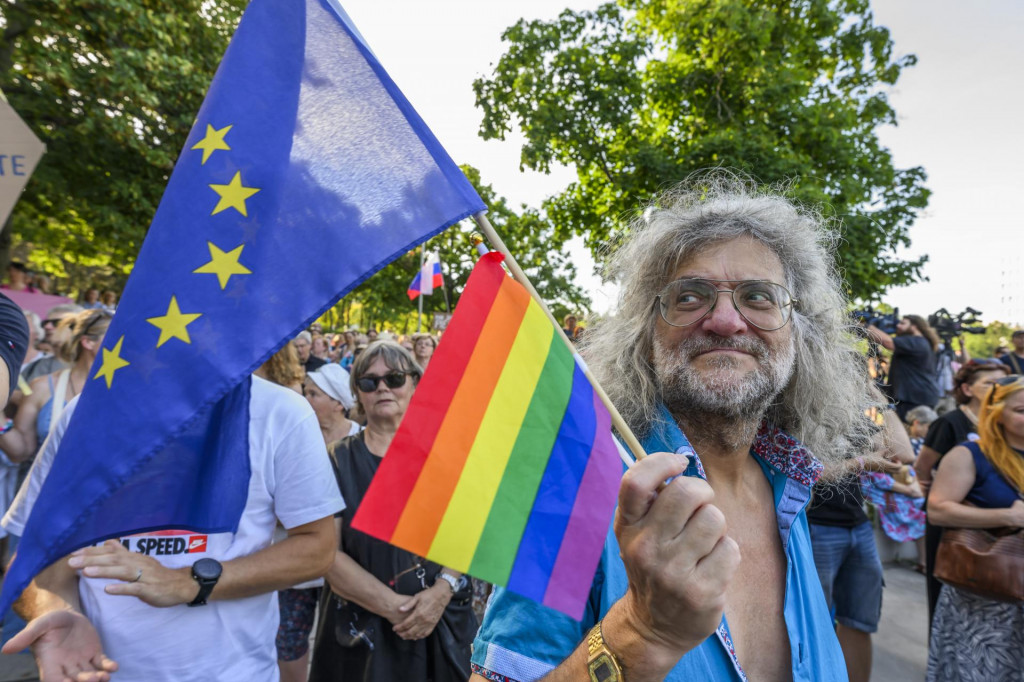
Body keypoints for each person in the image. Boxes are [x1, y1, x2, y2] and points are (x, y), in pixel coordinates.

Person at [471, 176, 878, 681]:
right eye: (689, 298)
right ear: (645, 336)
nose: (726, 321)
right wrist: (640, 632)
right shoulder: (573, 488)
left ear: (800, 335)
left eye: (758, 297)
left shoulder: (788, 486)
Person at [1, 373, 344, 681]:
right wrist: (54, 612)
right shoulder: (86, 412)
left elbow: (318, 549)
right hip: (100, 671)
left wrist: (188, 582)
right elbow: (34, 561)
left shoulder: (280, 411)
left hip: (235, 671)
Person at [309, 340, 476, 682]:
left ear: (415, 383)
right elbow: (326, 551)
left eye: (395, 378)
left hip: (442, 621)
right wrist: (397, 609)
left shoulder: (447, 452)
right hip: (360, 629)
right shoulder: (335, 459)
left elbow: (469, 527)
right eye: (370, 382)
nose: (383, 387)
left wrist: (442, 591)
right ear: (358, 392)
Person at [925, 374, 1024, 681]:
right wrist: (1007, 517)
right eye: (1020, 410)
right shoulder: (971, 454)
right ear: (997, 414)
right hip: (987, 593)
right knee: (977, 671)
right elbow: (937, 510)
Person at [808, 409, 916, 682]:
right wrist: (860, 463)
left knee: (859, 623)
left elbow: (903, 454)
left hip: (857, 527)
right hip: (815, 527)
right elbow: (808, 473)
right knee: (812, 625)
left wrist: (883, 402)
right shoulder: (796, 407)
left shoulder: (848, 409)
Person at [915, 360, 1009, 624]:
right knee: (945, 587)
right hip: (952, 525)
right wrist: (938, 499)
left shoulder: (1005, 424)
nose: (997, 389)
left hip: (996, 525)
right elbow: (923, 467)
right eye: (990, 383)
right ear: (967, 389)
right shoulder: (949, 423)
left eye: (1002, 383)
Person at [0, 310, 112, 465]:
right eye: (116, 337)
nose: (127, 344)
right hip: (46, 485)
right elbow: (21, 452)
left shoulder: (131, 391)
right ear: (88, 342)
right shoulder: (44, 386)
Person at [866, 315, 941, 421]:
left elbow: (888, 342)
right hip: (917, 398)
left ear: (914, 327)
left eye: (903, 323)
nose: (898, 325)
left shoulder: (917, 341)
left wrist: (867, 326)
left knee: (907, 434)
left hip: (914, 400)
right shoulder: (922, 342)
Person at [304, 364, 360, 442]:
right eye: (305, 393)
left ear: (339, 404)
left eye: (313, 394)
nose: (305, 399)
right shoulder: (302, 435)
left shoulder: (362, 439)